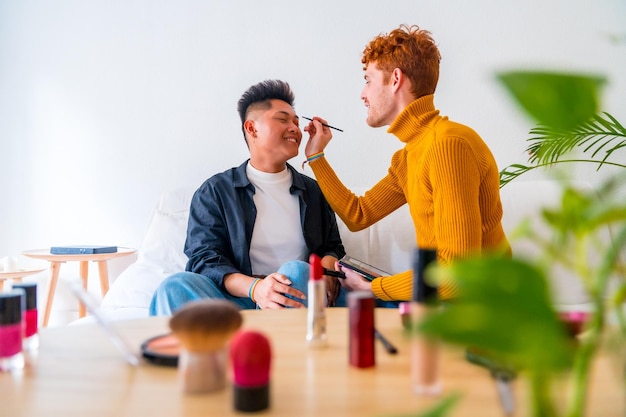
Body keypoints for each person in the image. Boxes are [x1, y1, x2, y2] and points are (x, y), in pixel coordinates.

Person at [303, 24, 511, 302]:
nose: (362, 94)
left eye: (368, 80)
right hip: (443, 308)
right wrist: (316, 157)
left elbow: (457, 273)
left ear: (396, 79)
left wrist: (375, 288)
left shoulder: (447, 145)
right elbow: (357, 214)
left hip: (486, 312)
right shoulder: (410, 156)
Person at [150, 79, 346, 315]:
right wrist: (257, 289)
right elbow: (205, 261)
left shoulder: (313, 191)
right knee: (174, 287)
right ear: (251, 128)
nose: (295, 128)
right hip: (237, 301)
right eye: (283, 119)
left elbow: (332, 247)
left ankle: (273, 343)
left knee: (297, 271)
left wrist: (326, 273)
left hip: (296, 295)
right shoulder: (215, 191)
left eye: (296, 122)